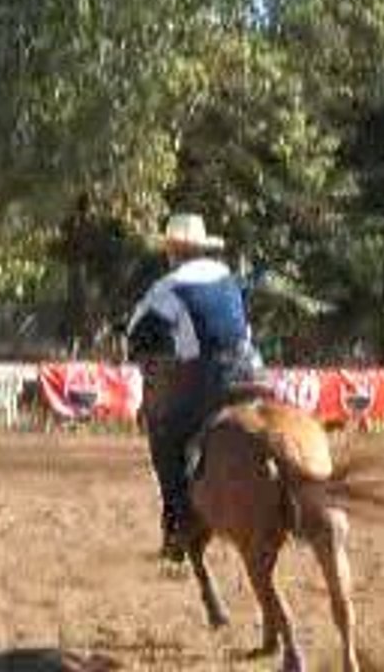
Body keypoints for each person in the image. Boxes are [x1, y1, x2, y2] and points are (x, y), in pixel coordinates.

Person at [127, 213, 261, 562]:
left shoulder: (167, 288)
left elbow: (136, 333)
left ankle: (178, 527)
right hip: (251, 369)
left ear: (172, 251)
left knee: (165, 436)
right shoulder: (228, 276)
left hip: (207, 377)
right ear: (202, 248)